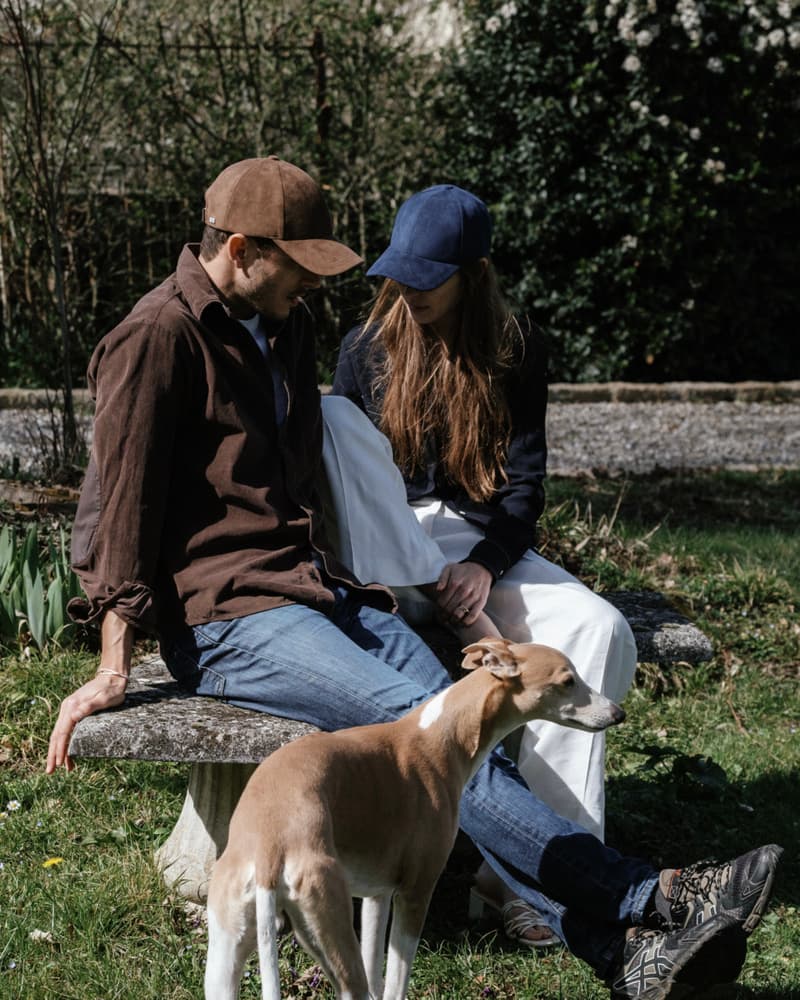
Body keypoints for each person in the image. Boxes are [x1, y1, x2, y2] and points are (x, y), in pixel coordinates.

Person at [45, 156, 781, 999]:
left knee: (454, 734)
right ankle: (647, 901)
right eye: (300, 266)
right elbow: (119, 508)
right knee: (423, 733)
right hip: (231, 618)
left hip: (320, 589)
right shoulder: (155, 338)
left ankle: (626, 953)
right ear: (242, 250)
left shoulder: (284, 325)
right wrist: (113, 662)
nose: (314, 287)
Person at [327, 184, 636, 944]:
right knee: (336, 426)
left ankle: (532, 877)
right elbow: (344, 480)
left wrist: (486, 566)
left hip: (475, 548)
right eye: (401, 274)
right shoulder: (365, 347)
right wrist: (390, 566)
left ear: (475, 274)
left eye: (430, 278)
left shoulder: (516, 346)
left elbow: (524, 486)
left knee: (600, 629)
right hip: (384, 548)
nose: (411, 292)